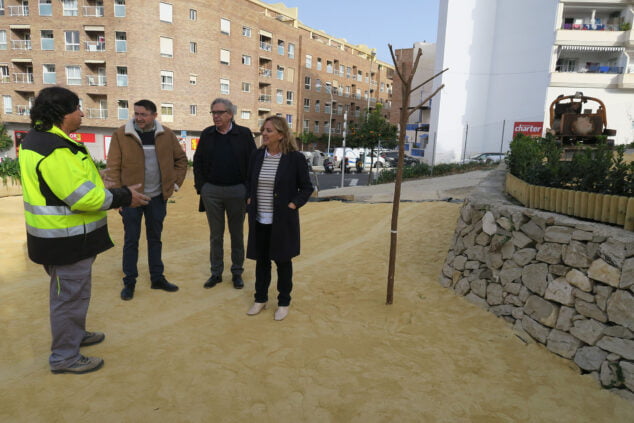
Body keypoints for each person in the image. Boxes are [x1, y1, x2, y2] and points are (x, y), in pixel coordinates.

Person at [18, 86, 149, 374]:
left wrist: (98, 176)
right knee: (68, 300)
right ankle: (64, 357)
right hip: (65, 242)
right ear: (61, 114)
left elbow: (65, 183)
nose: (82, 113)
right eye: (77, 108)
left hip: (63, 239)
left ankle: (75, 336)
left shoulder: (41, 141)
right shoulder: (53, 148)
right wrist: (125, 196)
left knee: (74, 296)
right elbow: (81, 197)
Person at [107, 99, 188, 301]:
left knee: (155, 239)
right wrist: (118, 198)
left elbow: (181, 160)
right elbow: (113, 167)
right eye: (136, 114)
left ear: (154, 115)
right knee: (131, 240)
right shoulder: (121, 134)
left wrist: (174, 184)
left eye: (143, 114)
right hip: (131, 198)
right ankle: (130, 281)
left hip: (158, 198)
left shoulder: (166, 135)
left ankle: (157, 278)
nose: (139, 118)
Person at [245, 116, 314, 321]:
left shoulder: (295, 158)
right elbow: (249, 181)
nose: (264, 134)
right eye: (263, 130)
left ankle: (284, 302)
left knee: (283, 262)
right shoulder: (257, 156)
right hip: (259, 219)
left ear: (281, 135)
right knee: (262, 262)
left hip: (282, 220)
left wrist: (293, 204)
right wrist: (249, 198)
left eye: (269, 130)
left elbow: (307, 187)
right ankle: (260, 299)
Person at [193, 98, 256, 290]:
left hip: (237, 191)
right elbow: (198, 163)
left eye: (219, 112)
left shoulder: (243, 134)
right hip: (211, 192)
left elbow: (253, 163)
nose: (216, 116)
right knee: (215, 235)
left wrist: (248, 190)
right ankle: (216, 273)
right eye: (213, 112)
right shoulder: (207, 134)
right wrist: (202, 188)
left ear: (230, 114)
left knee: (236, 234)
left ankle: (237, 272)